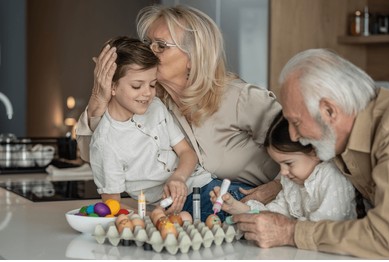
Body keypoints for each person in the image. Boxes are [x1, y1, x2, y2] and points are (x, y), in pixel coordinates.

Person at [76, 5, 282, 212]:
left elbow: (307, 144)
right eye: (148, 42)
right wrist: (98, 99)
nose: (149, 51)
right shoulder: (151, 101)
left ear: (192, 57)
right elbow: (95, 153)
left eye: (161, 45)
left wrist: (275, 187)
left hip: (271, 205)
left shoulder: (239, 98)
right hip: (208, 204)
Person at [233, 48, 389, 258]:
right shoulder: (338, 140)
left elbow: (384, 237)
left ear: (329, 111)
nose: (293, 136)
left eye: (295, 122)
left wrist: (289, 232)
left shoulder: (386, 132)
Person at [89, 36, 252, 222]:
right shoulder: (106, 142)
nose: (147, 93)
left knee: (259, 206)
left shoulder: (156, 107)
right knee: (250, 219)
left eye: (152, 84)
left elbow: (186, 152)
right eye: (136, 86)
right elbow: (112, 205)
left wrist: (179, 178)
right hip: (177, 208)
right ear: (111, 86)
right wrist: (153, 217)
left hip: (210, 186)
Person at [210, 111, 357, 222]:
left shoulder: (331, 178)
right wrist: (240, 209)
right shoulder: (292, 181)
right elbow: (276, 213)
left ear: (316, 151)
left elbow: (324, 228)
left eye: (288, 163)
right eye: (279, 164)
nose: (283, 172)